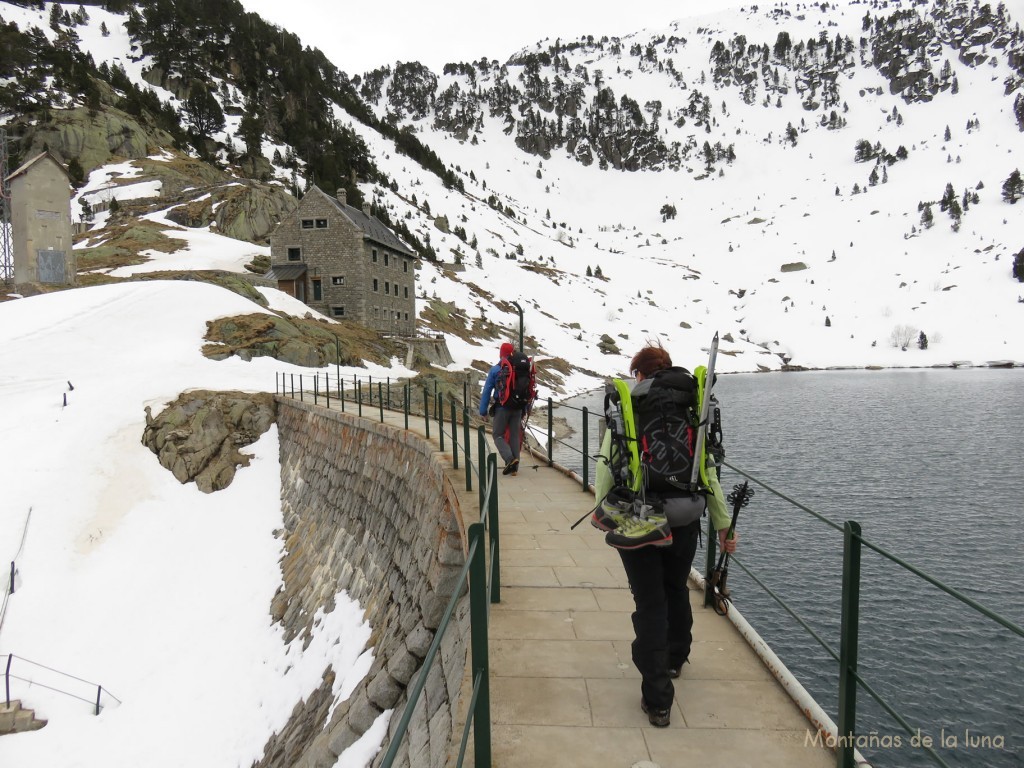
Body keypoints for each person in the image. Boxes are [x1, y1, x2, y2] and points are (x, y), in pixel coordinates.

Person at [593, 342, 737, 728]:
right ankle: (676, 659)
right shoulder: (692, 409)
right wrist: (724, 525)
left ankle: (657, 701)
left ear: (639, 374)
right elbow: (708, 472)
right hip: (687, 516)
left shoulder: (632, 407)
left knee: (650, 602)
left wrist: (603, 511)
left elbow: (607, 469)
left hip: (641, 520)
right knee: (675, 588)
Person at [479, 342, 524, 476]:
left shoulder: (496, 370)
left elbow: (487, 391)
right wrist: (525, 408)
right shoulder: (518, 369)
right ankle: (515, 468)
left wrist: (483, 411)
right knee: (515, 436)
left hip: (502, 407)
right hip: (518, 407)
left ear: (501, 353)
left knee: (497, 435)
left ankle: (510, 460)